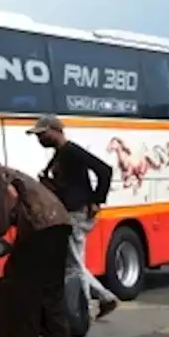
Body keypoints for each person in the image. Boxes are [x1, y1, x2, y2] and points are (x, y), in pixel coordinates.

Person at [29, 115, 119, 319]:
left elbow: (104, 170)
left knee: (74, 264)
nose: (39, 139)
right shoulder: (59, 154)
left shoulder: (71, 151)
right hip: (70, 212)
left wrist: (97, 200)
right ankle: (104, 297)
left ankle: (84, 311)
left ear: (54, 131)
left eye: (42, 134)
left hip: (77, 213)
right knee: (72, 261)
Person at [0, 166, 73, 337]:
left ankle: (26, 333)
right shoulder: (15, 173)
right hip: (60, 221)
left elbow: (12, 196)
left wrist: (2, 224)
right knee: (53, 282)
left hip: (39, 225)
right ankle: (59, 331)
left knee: (24, 280)